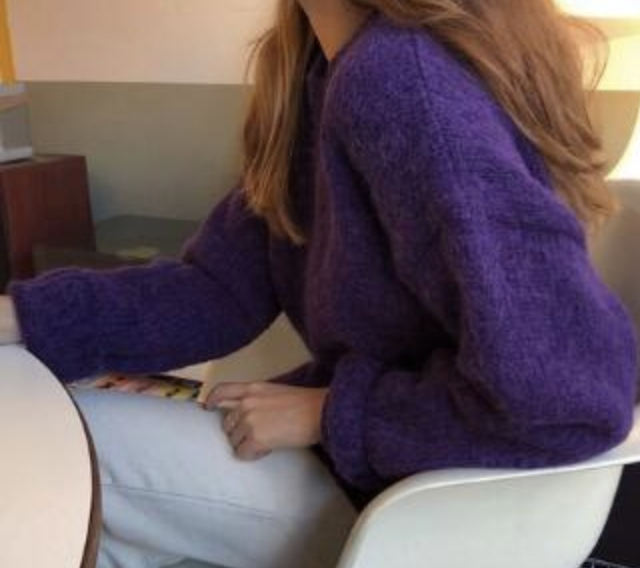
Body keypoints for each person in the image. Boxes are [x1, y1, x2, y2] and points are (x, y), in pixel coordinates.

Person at [1, 0, 638, 567]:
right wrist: (21, 317)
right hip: (379, 468)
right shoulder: (317, 69)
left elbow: (574, 395)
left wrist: (332, 411)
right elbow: (216, 288)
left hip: (429, 507)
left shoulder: (400, 79)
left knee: (42, 446)